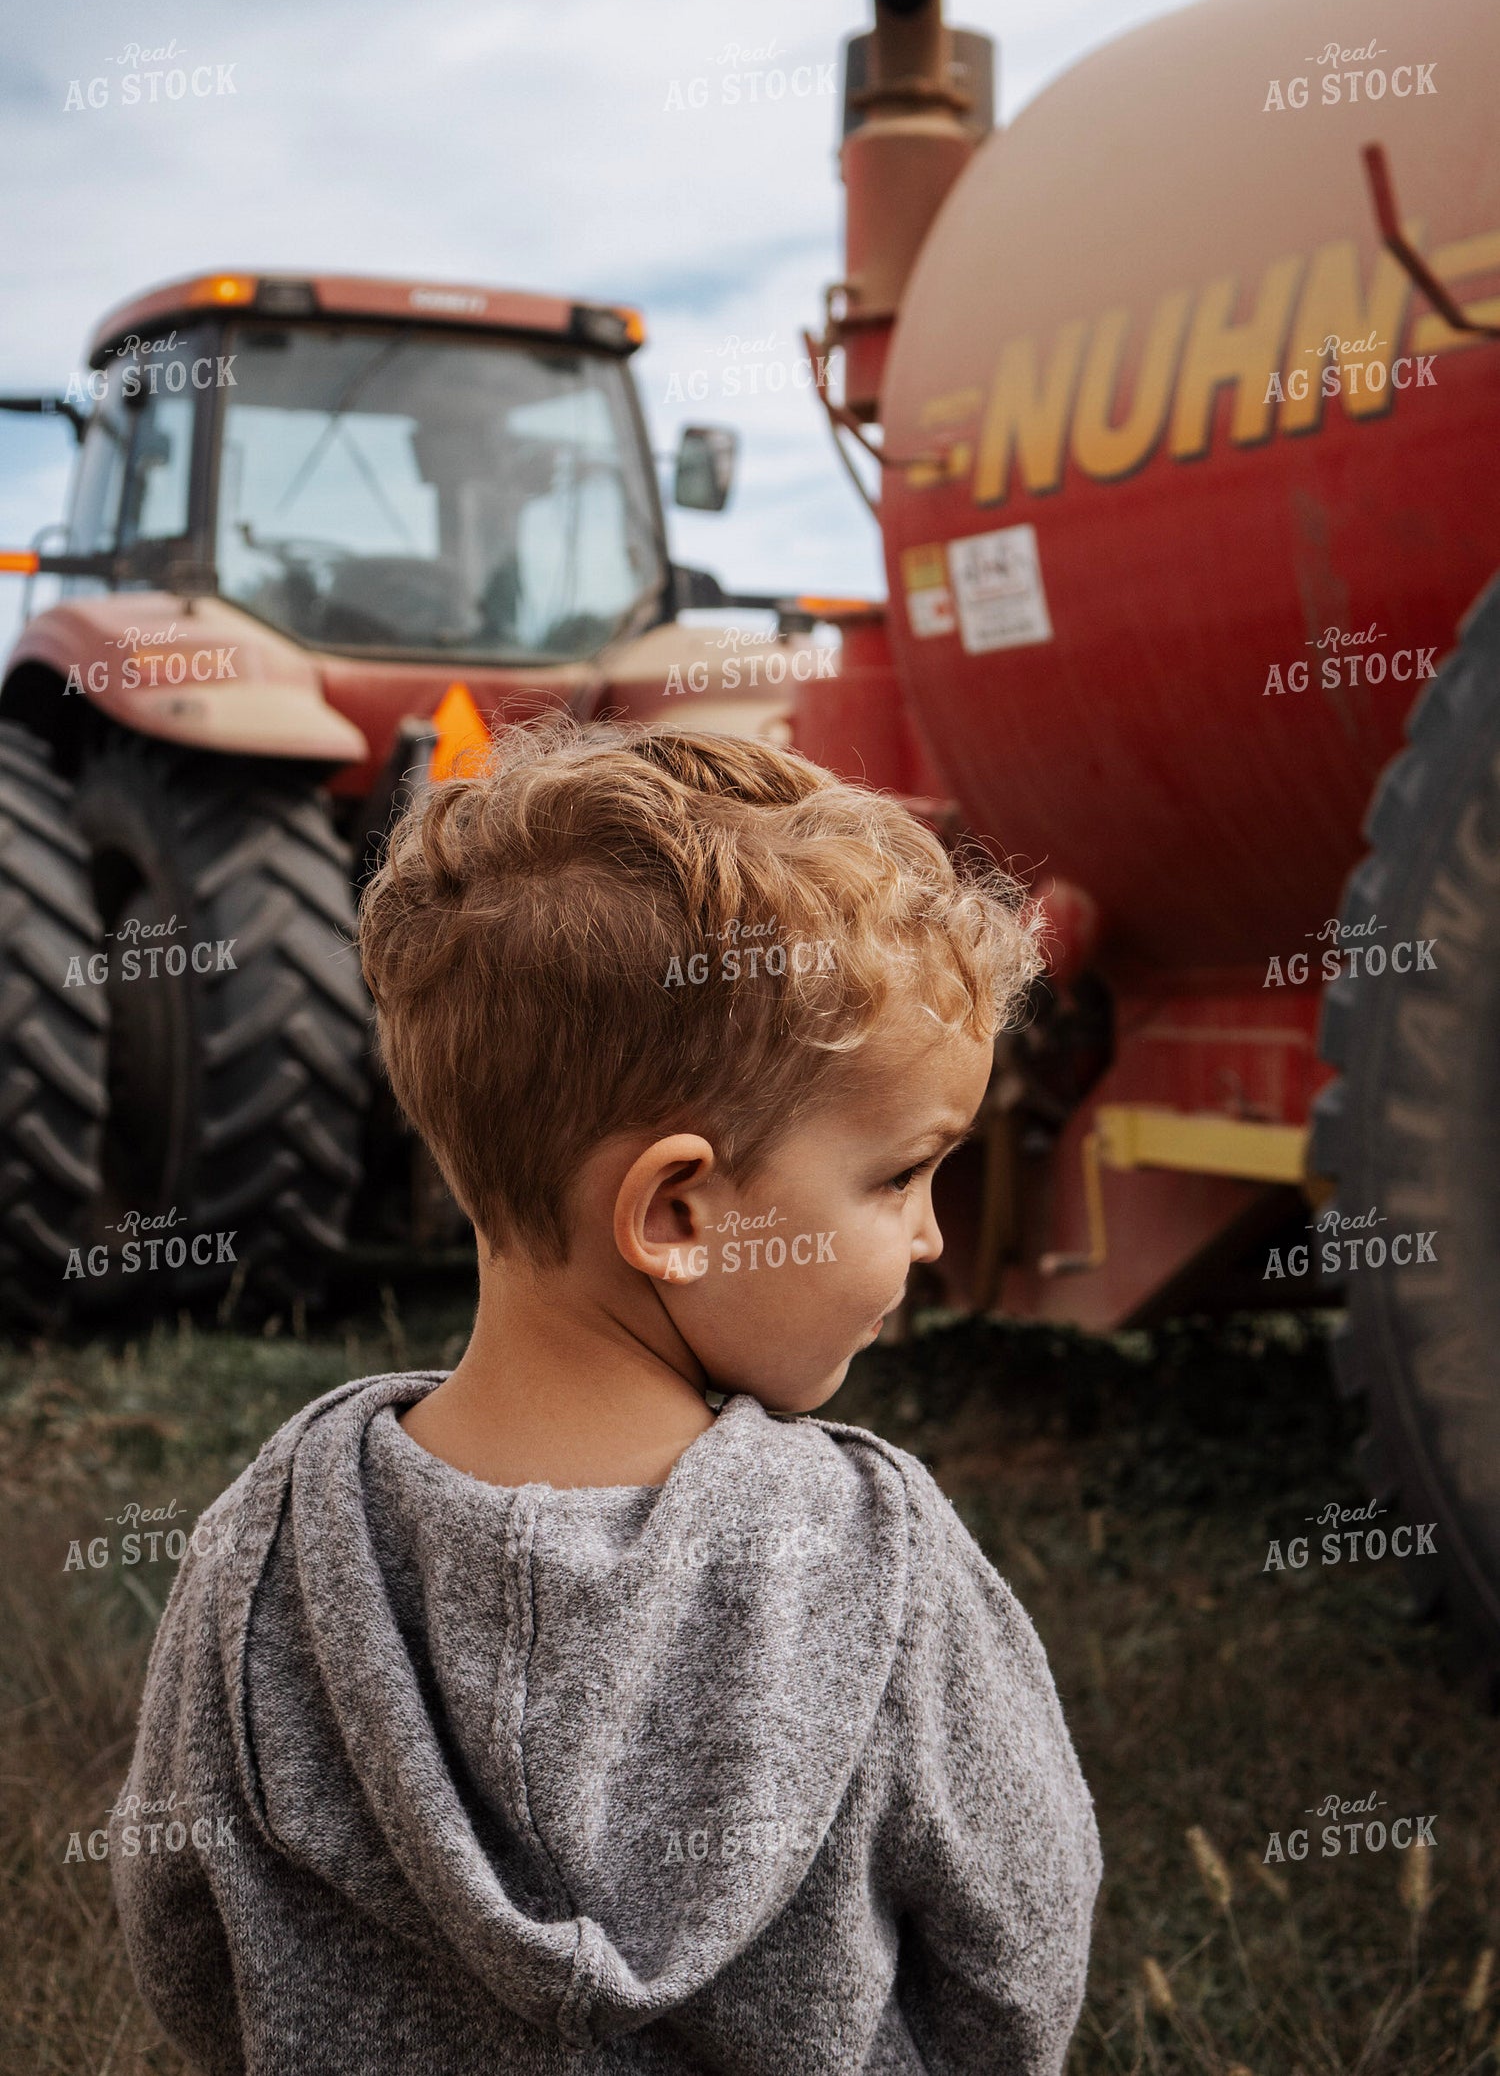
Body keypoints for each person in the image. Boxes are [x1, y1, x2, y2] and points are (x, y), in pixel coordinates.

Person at [113, 718, 1102, 2074]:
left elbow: (180, 1944)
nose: (931, 1235)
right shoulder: (887, 1559)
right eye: (897, 1176)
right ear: (680, 1207)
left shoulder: (260, 1554)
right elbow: (1019, 1959)